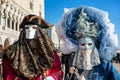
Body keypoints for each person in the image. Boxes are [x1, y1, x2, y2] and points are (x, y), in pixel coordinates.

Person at [56, 6, 120, 80]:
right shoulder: (72, 63)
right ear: (77, 46)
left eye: (89, 44)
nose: (86, 48)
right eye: (83, 44)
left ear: (94, 46)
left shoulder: (105, 65)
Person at [2, 14, 63, 80]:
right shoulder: (12, 52)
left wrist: (51, 77)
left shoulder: (49, 52)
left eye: (33, 28)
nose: (30, 30)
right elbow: (8, 73)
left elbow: (58, 70)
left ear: (39, 31)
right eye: (27, 28)